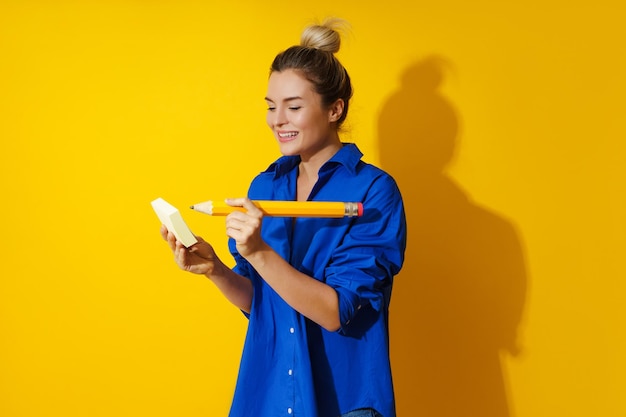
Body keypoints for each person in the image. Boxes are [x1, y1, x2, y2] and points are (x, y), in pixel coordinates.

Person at [160, 18, 407, 417]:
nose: (278, 120)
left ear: (335, 109)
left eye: (293, 107)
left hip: (344, 400)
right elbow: (262, 303)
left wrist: (258, 252)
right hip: (271, 396)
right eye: (271, 107)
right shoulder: (265, 187)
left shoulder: (374, 192)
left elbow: (335, 311)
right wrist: (217, 270)